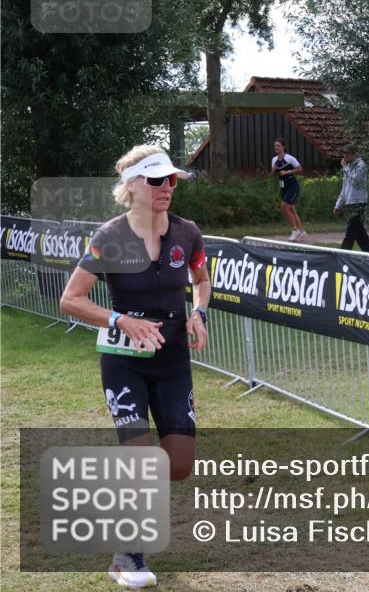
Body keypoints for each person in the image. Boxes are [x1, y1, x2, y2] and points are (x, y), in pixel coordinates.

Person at [59, 146, 210, 589]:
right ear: (132, 187)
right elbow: (71, 299)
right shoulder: (110, 237)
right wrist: (120, 319)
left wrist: (199, 313)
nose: (167, 188)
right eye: (157, 180)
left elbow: (201, 282)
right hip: (124, 361)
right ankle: (128, 556)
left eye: (172, 181)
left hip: (173, 359)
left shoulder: (188, 234)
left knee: (179, 464)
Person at [334, 145, 369, 254]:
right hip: (350, 203)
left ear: (354, 154)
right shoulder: (348, 168)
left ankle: (343, 256)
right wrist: (338, 205)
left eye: (347, 153)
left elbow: (356, 180)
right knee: (360, 234)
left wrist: (345, 168)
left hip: (359, 203)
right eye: (344, 153)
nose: (345, 156)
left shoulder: (361, 166)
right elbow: (345, 188)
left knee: (350, 234)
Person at [270, 137, 307, 241]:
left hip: (292, 185)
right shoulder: (274, 160)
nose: (276, 148)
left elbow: (300, 169)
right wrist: (273, 170)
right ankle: (302, 232)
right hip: (283, 186)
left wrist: (287, 172)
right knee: (291, 210)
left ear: (283, 147)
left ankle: (295, 230)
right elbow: (272, 174)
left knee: (284, 207)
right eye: (275, 146)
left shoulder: (289, 158)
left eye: (278, 145)